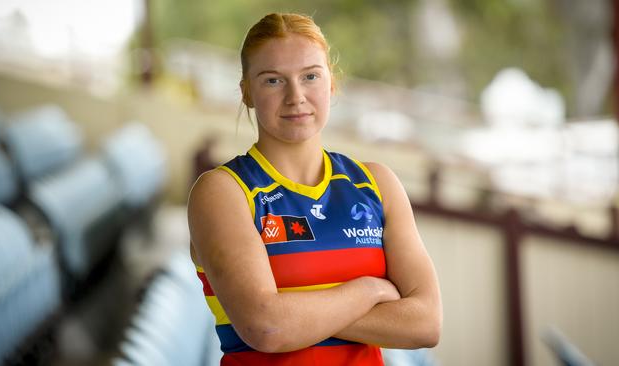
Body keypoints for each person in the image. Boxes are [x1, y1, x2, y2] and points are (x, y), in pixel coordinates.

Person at [187, 12, 442, 366]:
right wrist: (370, 290)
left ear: (331, 83)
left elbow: (426, 324)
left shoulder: (376, 184)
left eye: (310, 76)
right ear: (246, 91)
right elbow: (266, 328)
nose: (296, 96)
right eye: (273, 80)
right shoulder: (222, 192)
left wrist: (298, 316)